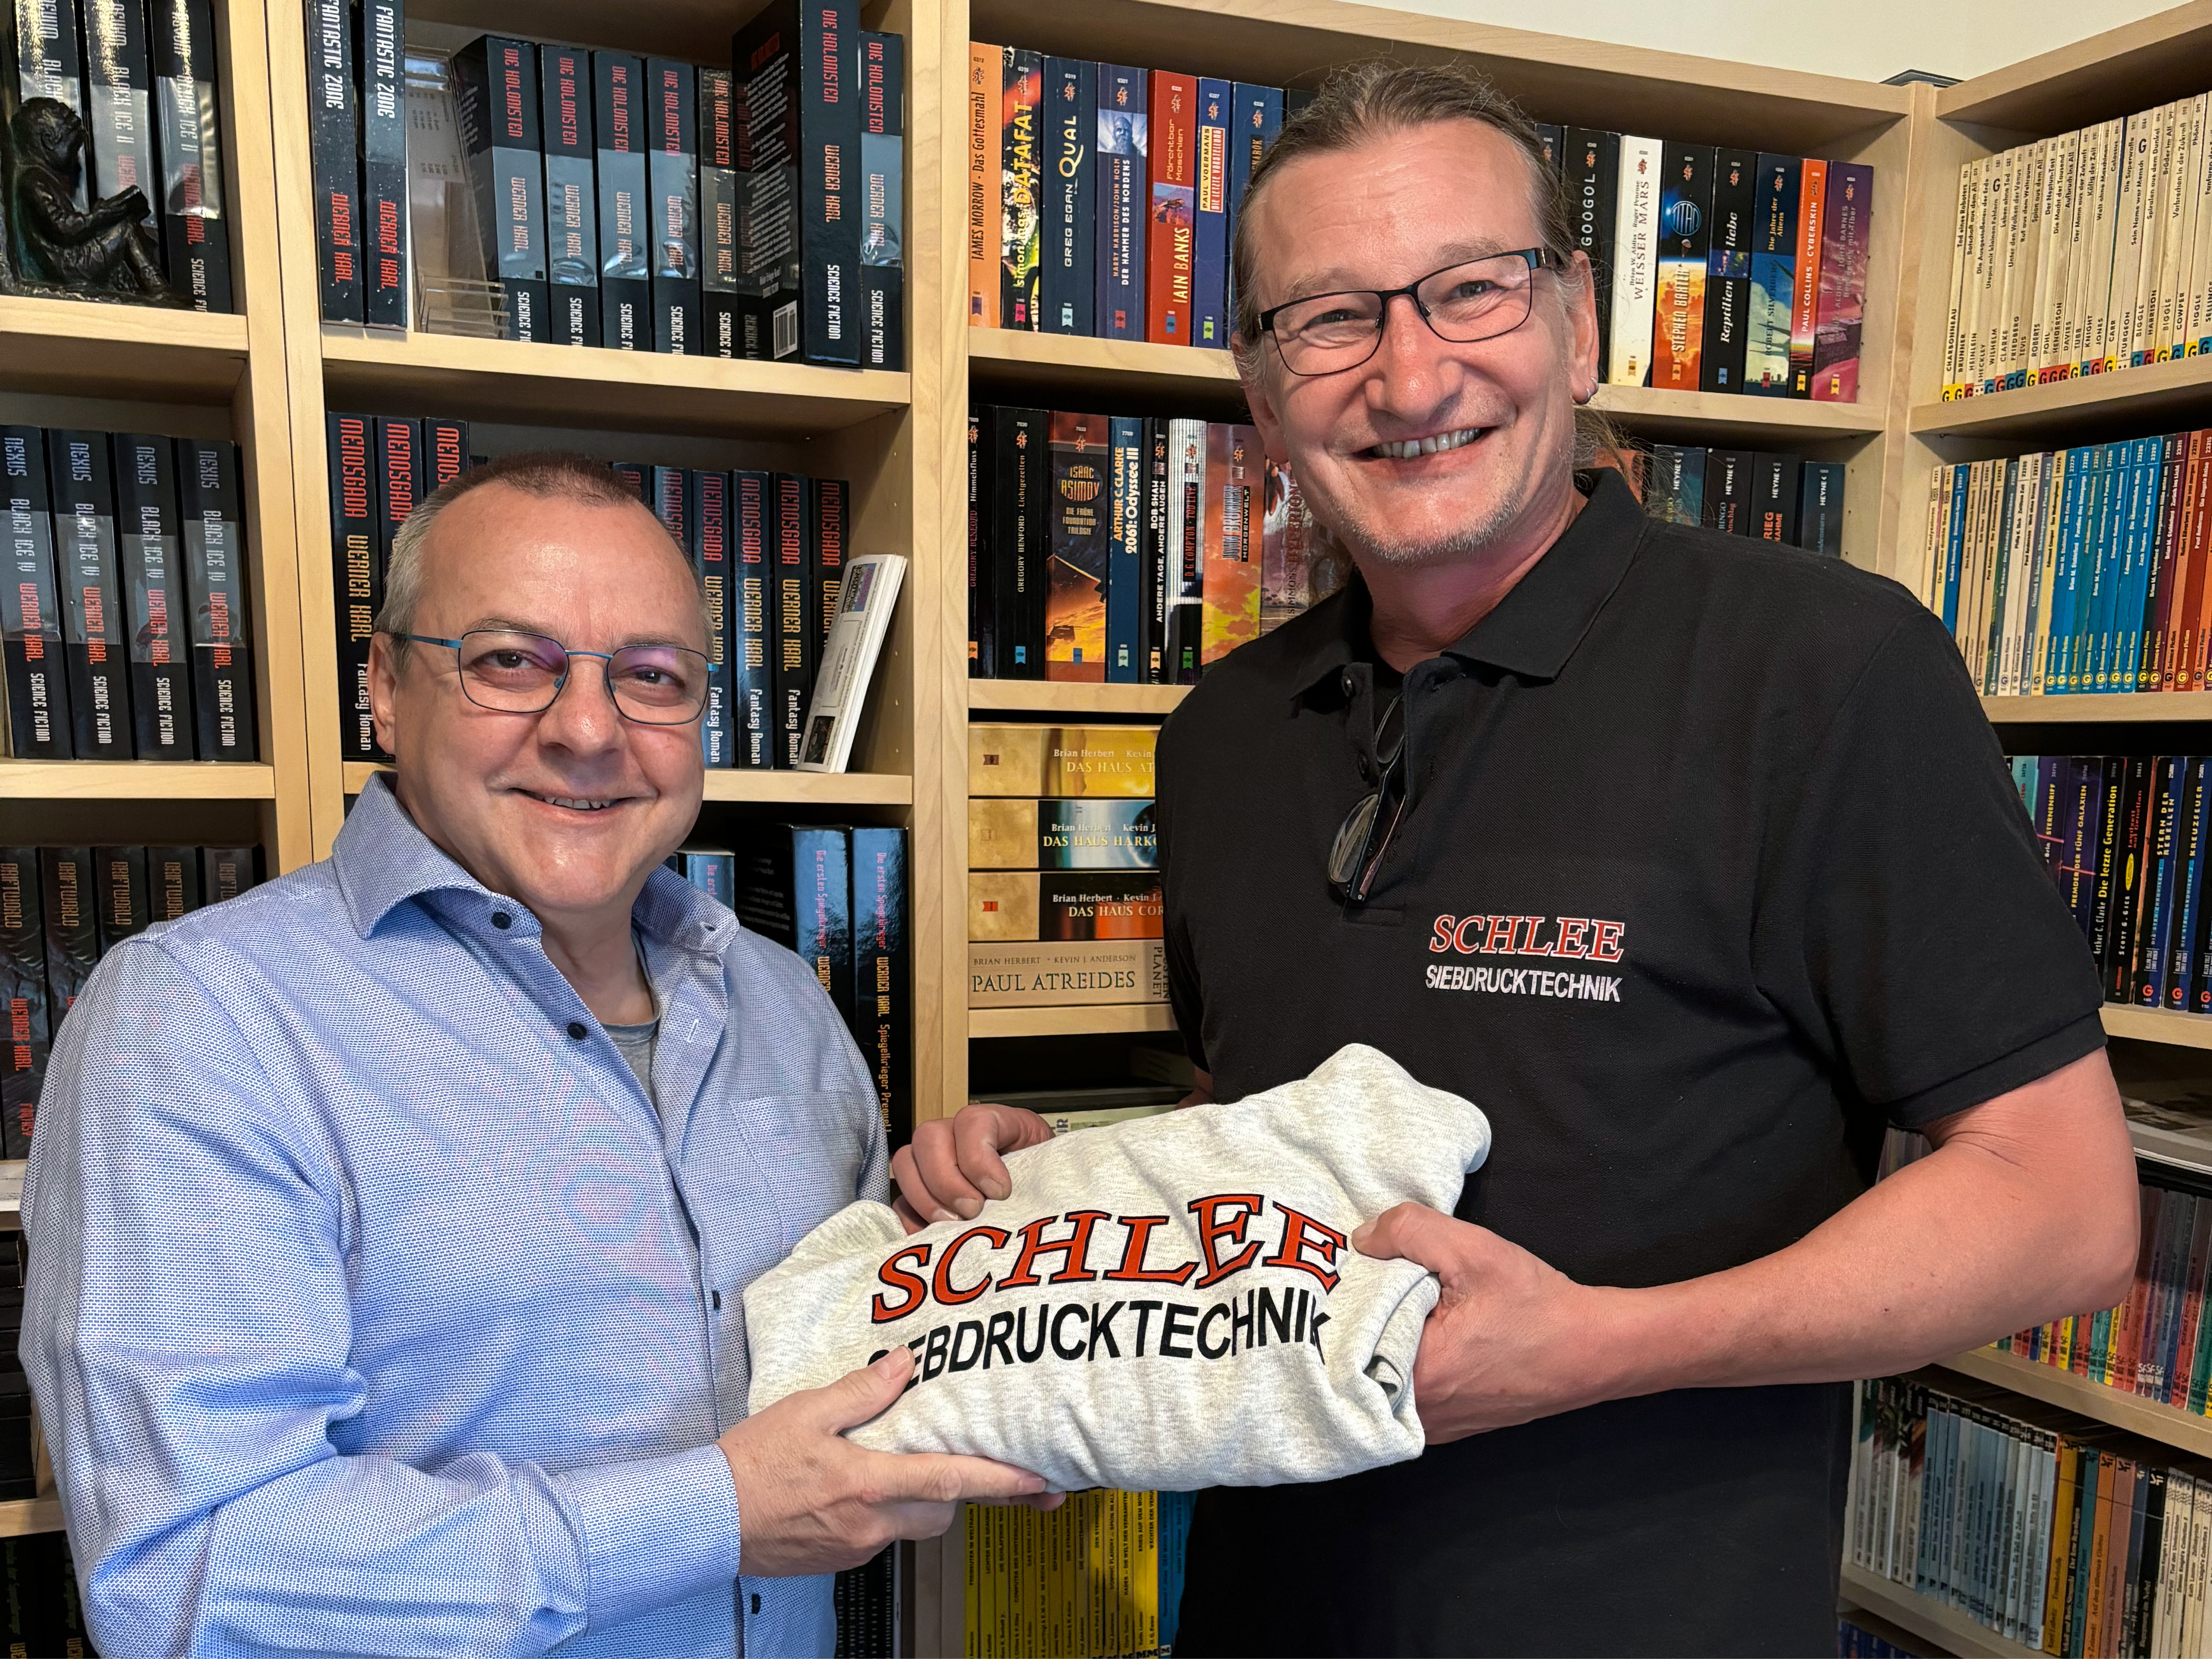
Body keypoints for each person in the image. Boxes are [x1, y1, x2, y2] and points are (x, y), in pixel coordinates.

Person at [890, 64, 2141, 1655]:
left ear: (1579, 321)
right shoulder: (1221, 734)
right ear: (1262, 396)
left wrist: (1597, 1344)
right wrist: (1059, 1209)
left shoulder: (1822, 669)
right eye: (1329, 319)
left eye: (1471, 288)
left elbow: (2061, 1206)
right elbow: (1282, 1140)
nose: (1412, 376)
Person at [23, 451, 1051, 1659]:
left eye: (651, 677)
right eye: (511, 661)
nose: (588, 730)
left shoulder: (783, 1003)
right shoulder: (201, 1021)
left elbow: (856, 1372)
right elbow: (187, 1574)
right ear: (386, 687)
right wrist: (713, 1514)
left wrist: (993, 1230)